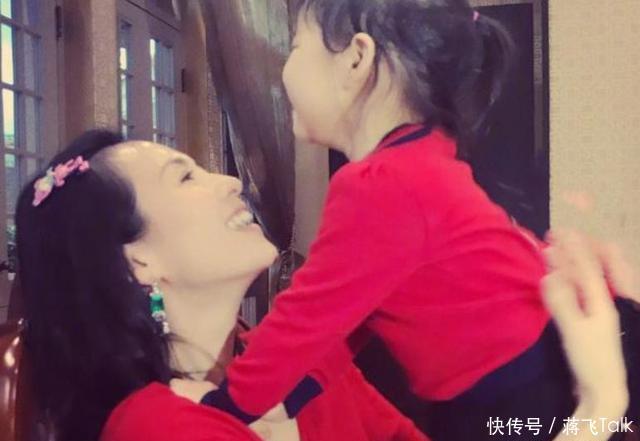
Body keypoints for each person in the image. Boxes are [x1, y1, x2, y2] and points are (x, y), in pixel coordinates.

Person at [196, 1, 640, 440]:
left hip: (526, 388)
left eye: (295, 46)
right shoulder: (424, 156)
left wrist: (221, 409)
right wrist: (288, 394)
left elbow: (306, 317)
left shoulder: (379, 184)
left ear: (356, 59)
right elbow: (348, 317)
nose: (283, 67)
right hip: (534, 370)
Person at [16, 131, 429, 441]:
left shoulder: (304, 362)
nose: (231, 182)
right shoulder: (156, 427)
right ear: (139, 261)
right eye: (185, 177)